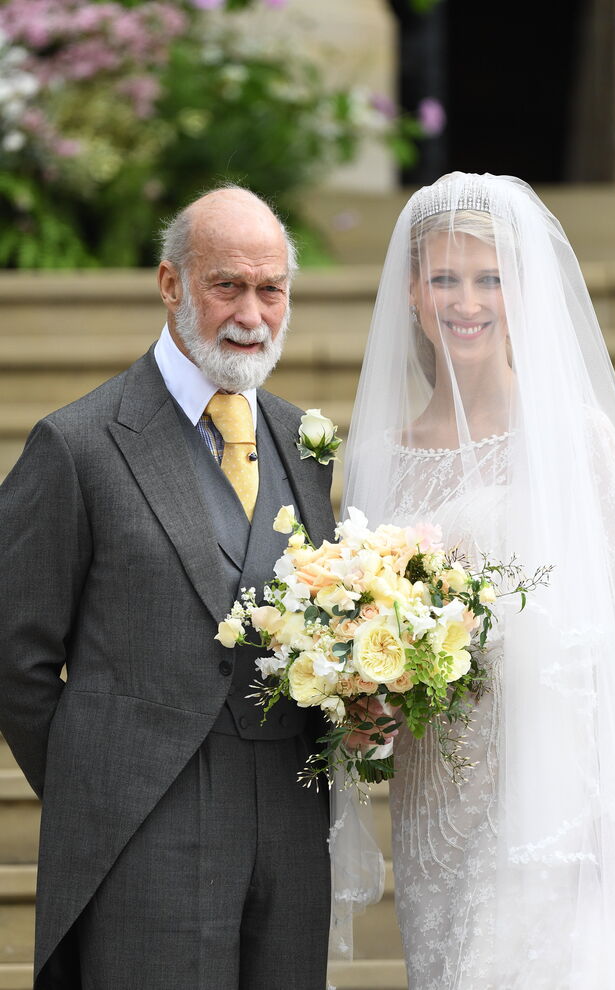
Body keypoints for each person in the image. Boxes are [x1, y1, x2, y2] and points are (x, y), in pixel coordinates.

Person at [0, 185, 335, 989]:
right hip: (143, 826)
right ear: (171, 284)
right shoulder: (76, 444)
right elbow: (16, 658)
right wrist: (106, 782)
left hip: (290, 829)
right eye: (227, 285)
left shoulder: (305, 440)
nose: (251, 313)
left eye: (271, 288)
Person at [338, 173, 615, 988]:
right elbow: (362, 618)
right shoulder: (378, 457)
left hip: (555, 793)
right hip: (435, 795)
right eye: (445, 277)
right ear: (412, 290)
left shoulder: (575, 438)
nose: (467, 301)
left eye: (490, 279)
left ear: (524, 292)